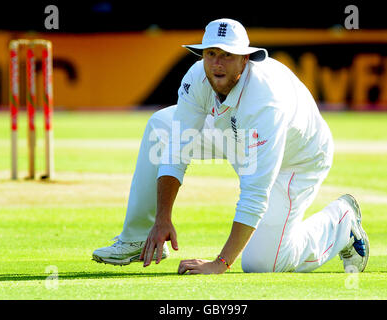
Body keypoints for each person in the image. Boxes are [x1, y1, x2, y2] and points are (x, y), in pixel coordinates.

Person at [92, 18, 369, 274]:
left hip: (296, 161)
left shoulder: (265, 101)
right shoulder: (197, 76)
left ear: (245, 58)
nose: (217, 64)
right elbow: (177, 147)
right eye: (211, 53)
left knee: (262, 263)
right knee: (160, 128)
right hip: (233, 133)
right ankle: (139, 237)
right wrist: (162, 218)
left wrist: (220, 263)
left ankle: (341, 223)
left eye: (227, 55)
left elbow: (254, 194)